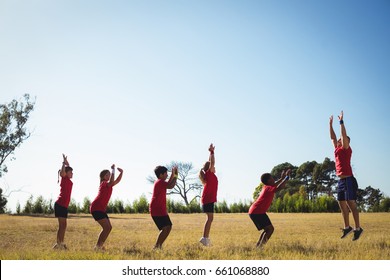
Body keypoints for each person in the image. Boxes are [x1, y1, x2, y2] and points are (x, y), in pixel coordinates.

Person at [329, 111, 363, 241]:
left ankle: (358, 229)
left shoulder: (346, 149)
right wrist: (330, 124)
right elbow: (333, 137)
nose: (339, 140)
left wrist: (341, 122)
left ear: (346, 142)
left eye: (342, 140)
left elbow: (342, 135)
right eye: (339, 140)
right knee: (341, 204)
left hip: (348, 179)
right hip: (341, 181)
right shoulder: (336, 149)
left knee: (351, 204)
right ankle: (347, 227)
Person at [248, 169, 291, 247]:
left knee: (268, 229)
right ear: (268, 180)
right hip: (257, 212)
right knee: (270, 229)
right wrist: (287, 177)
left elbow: (275, 184)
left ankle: (258, 246)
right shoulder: (268, 188)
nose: (273, 179)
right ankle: (260, 247)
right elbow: (280, 187)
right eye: (272, 178)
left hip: (257, 211)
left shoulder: (266, 187)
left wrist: (282, 178)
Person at [90, 164, 123, 250]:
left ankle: (99, 246)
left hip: (101, 209)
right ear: (103, 177)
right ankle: (98, 247)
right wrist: (113, 170)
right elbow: (112, 181)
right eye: (107, 175)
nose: (109, 176)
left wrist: (121, 173)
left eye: (109, 174)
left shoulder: (109, 185)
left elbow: (116, 181)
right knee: (107, 228)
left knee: (108, 228)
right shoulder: (103, 183)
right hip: (96, 208)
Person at [149, 165, 178, 249]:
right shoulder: (159, 182)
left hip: (160, 209)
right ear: (161, 175)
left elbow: (169, 183)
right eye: (166, 173)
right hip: (157, 209)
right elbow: (171, 185)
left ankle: (158, 246)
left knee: (168, 227)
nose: (167, 175)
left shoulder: (160, 182)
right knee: (165, 228)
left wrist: (173, 174)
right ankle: (157, 246)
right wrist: (175, 175)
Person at [199, 144, 218, 246]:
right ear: (209, 168)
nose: (214, 168)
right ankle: (205, 238)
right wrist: (211, 152)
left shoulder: (209, 174)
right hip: (208, 199)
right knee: (210, 218)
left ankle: (205, 238)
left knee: (210, 218)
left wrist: (210, 154)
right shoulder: (209, 173)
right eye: (213, 167)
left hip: (208, 199)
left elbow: (210, 163)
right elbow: (212, 162)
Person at [53, 154, 73, 250]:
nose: (72, 173)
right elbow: (62, 173)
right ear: (66, 173)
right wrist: (63, 163)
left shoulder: (68, 180)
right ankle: (58, 245)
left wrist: (66, 162)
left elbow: (67, 168)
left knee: (63, 226)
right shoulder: (64, 178)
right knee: (62, 225)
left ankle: (60, 244)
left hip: (63, 206)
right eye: (71, 172)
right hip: (60, 204)